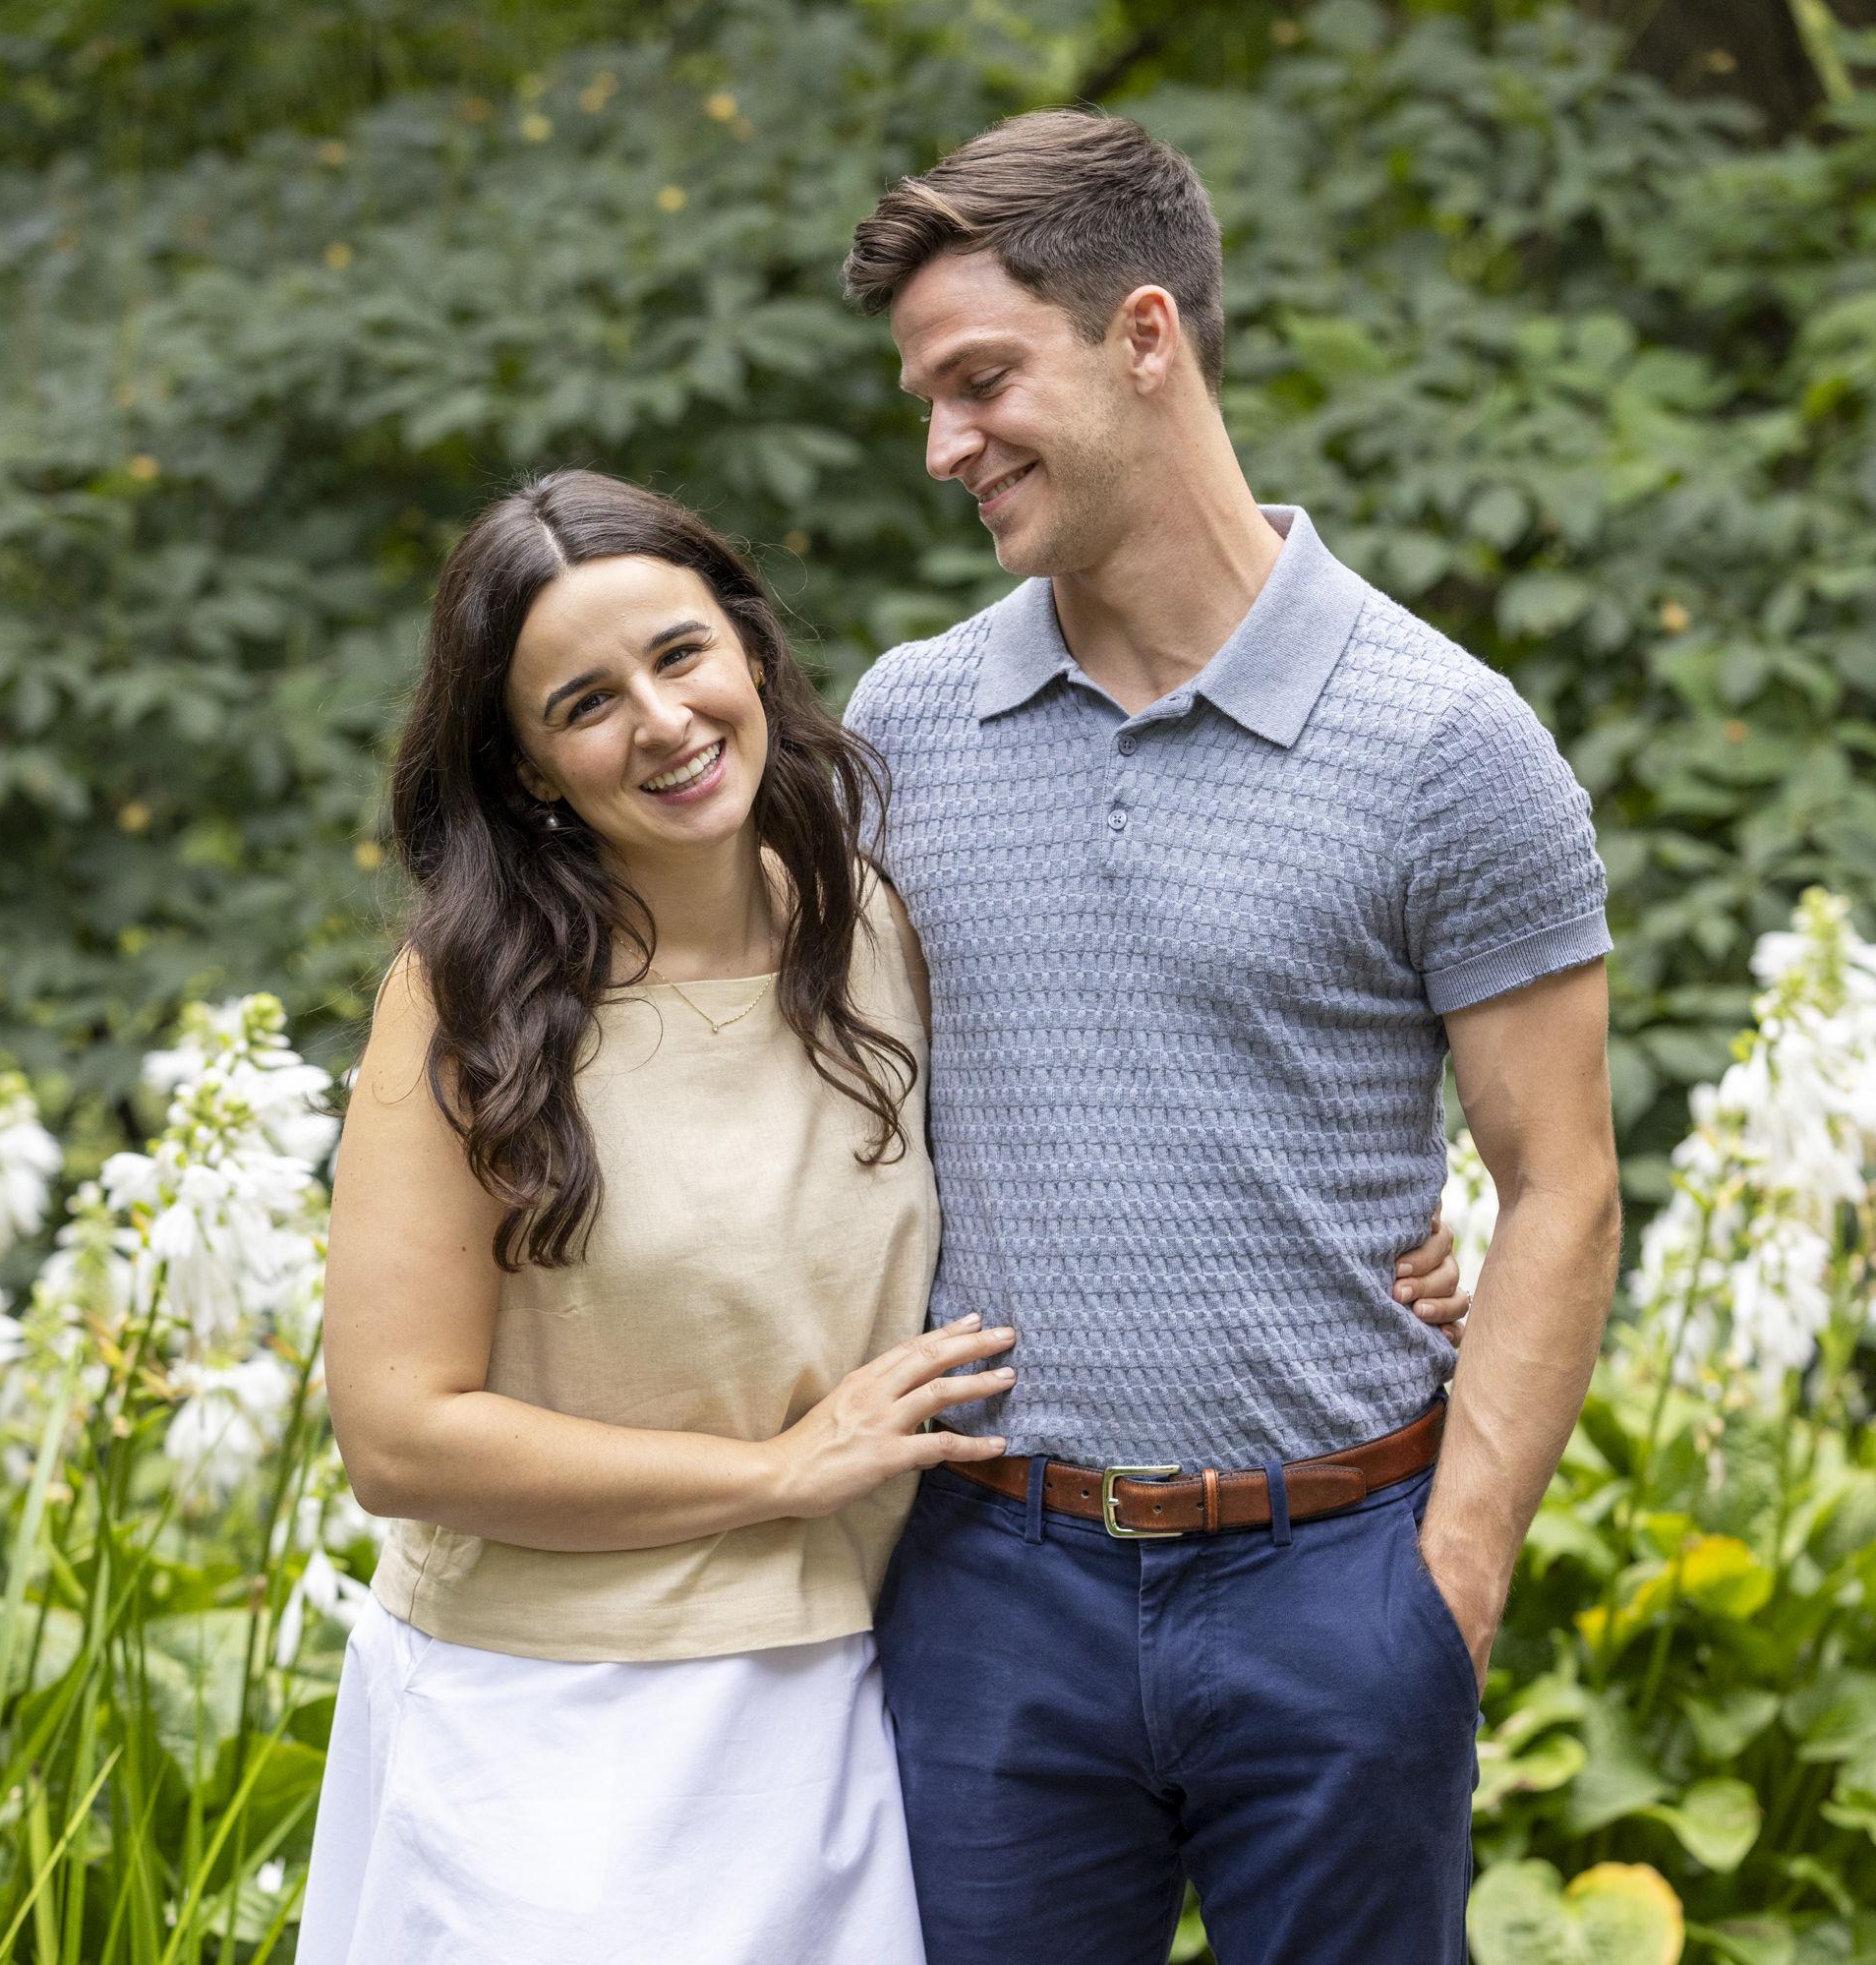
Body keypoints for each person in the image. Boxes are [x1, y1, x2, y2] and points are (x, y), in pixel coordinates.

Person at [294, 469, 1472, 1963]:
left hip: (839, 1703)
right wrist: (777, 1469)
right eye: (584, 704)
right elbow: (397, 1437)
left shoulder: (875, 927)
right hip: (547, 1722)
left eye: (678, 654)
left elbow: (1093, 1117)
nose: (660, 720)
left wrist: (1370, 1254)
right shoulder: (467, 1000)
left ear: (746, 648)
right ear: (524, 764)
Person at [838, 109, 1621, 1965]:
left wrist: (1452, 1578)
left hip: (1336, 1578)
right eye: (926, 400)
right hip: (989, 1588)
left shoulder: (1447, 741)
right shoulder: (903, 729)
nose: (943, 445)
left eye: (978, 381)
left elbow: (1560, 1184)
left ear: (1141, 336)